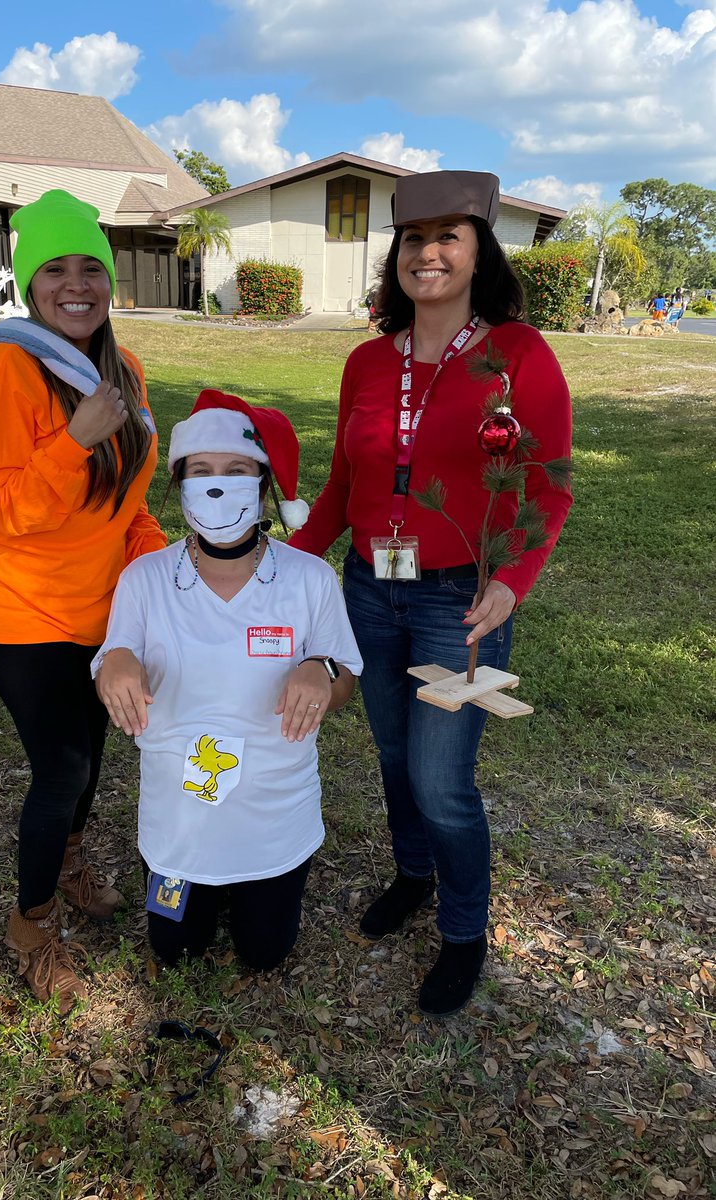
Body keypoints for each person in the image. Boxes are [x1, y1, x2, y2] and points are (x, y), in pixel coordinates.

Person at [290, 171, 573, 1017]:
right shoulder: (367, 362)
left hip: (461, 601)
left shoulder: (519, 355)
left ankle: (463, 931)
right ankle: (413, 875)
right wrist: (280, 566)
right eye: (415, 238)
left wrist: (512, 582)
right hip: (370, 591)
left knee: (441, 777)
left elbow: (549, 486)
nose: (430, 253)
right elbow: (342, 488)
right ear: (398, 255)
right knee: (390, 754)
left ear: (480, 252)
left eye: (450, 235)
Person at [0, 189, 165, 1013]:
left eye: (91, 267)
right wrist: (76, 438)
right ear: (29, 284)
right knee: (62, 768)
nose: (76, 284)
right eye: (54, 269)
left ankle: (69, 860)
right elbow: (6, 509)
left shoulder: (124, 372)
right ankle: (32, 925)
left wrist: (161, 566)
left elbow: (129, 505)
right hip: (24, 616)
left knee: (92, 759)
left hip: (104, 611)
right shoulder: (0, 367)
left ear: (112, 280)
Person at [93, 391, 363, 971]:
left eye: (237, 471)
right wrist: (114, 660)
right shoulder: (144, 578)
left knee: (264, 952)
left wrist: (321, 670)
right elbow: (112, 665)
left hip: (274, 811)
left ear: (263, 484)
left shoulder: (309, 579)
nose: (218, 485)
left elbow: (342, 678)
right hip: (178, 817)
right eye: (202, 471)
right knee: (175, 950)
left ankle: (262, 887)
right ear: (179, 483)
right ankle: (188, 886)